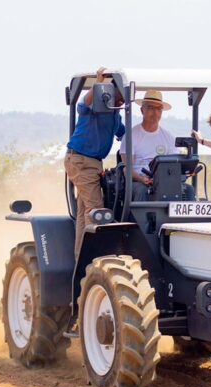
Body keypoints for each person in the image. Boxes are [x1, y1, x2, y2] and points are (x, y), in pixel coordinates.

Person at [64, 67, 125, 259]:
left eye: (125, 97)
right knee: (96, 212)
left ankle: (81, 261)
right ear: (110, 91)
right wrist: (99, 85)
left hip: (93, 164)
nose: (123, 101)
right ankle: (94, 261)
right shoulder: (95, 105)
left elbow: (124, 134)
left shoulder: (115, 113)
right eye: (121, 95)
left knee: (84, 213)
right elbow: (82, 105)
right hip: (81, 160)